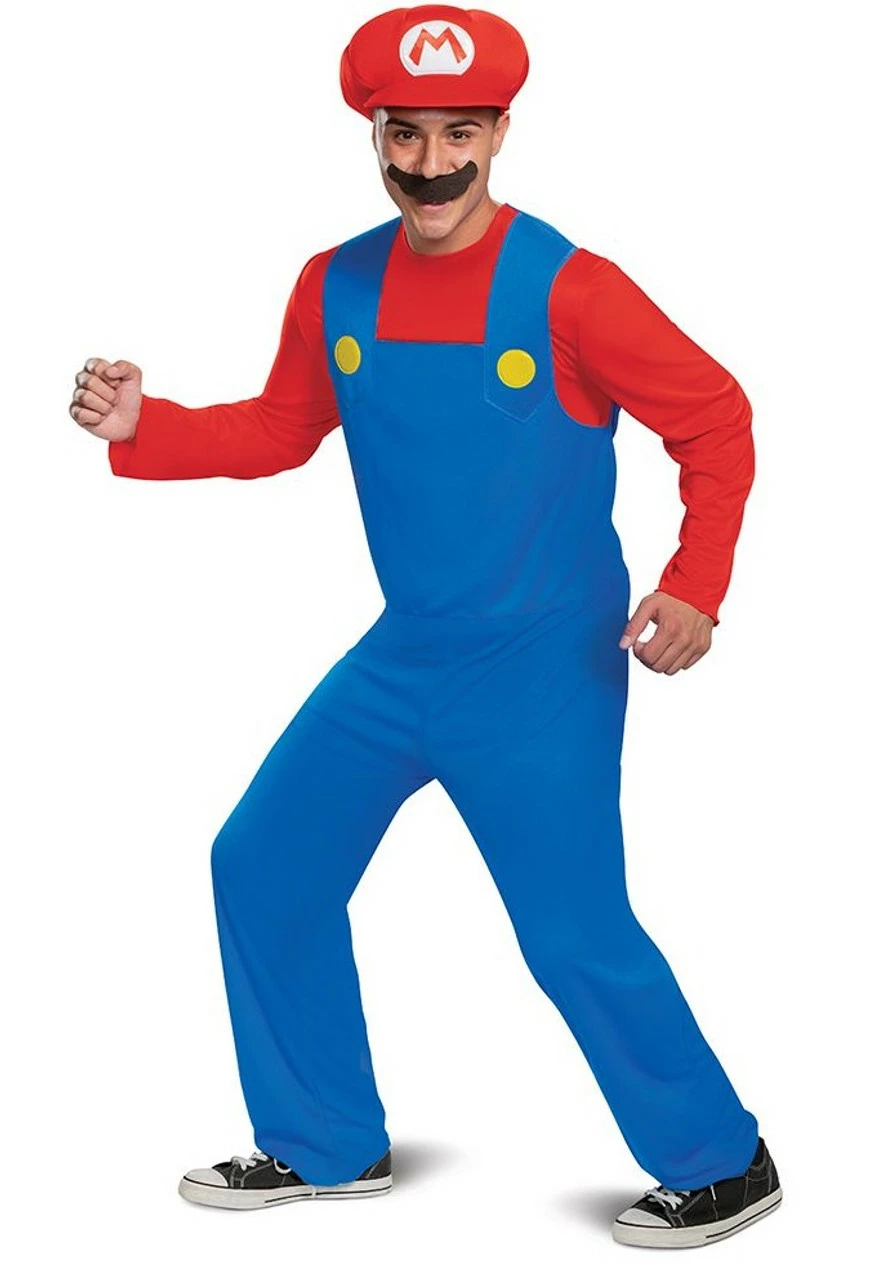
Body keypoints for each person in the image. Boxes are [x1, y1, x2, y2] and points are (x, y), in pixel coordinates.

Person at [69, 4, 782, 1249]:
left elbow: (715, 415)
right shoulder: (334, 282)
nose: (432, 162)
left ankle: (725, 1159)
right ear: (376, 136)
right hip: (405, 656)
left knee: (571, 930)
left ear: (500, 132)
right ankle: (324, 1139)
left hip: (544, 663)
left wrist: (695, 583)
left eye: (461, 133)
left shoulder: (572, 287)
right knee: (262, 862)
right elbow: (283, 426)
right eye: (406, 133)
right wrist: (149, 426)